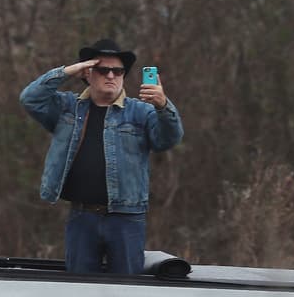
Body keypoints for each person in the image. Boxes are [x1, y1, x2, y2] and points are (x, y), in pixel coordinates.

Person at [20, 38, 183, 275]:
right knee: (80, 293)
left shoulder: (141, 111)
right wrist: (67, 72)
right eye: (102, 69)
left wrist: (163, 105)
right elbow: (30, 98)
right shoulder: (68, 107)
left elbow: (168, 139)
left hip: (127, 218)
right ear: (88, 73)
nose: (110, 75)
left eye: (117, 71)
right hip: (82, 216)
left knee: (126, 293)